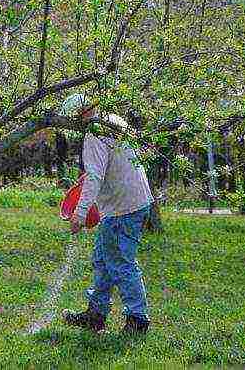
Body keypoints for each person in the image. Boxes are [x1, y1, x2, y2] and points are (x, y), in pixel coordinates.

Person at [62, 95, 154, 335]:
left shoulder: (94, 133)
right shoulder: (113, 121)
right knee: (103, 260)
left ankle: (137, 319)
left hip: (123, 207)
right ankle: (96, 314)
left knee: (122, 263)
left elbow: (95, 176)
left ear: (78, 116)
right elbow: (109, 165)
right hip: (134, 200)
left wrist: (80, 214)